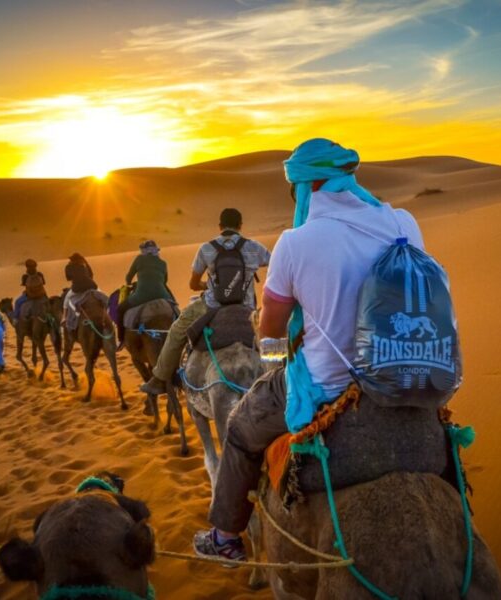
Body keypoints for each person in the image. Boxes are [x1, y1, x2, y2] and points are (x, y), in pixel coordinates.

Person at [192, 138, 426, 561]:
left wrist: (277, 366)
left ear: (307, 186)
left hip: (327, 383)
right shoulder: (405, 222)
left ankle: (226, 536)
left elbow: (271, 328)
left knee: (242, 428)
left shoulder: (295, 242)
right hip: (405, 372)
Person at [141, 208, 270, 395]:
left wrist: (208, 286)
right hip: (246, 308)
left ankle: (159, 379)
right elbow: (275, 265)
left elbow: (193, 284)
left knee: (177, 330)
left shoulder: (207, 248)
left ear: (220, 226)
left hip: (211, 306)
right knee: (277, 336)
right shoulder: (254, 247)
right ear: (240, 226)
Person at [115, 240, 177, 350]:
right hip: (162, 295)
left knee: (120, 309)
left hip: (141, 295)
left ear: (143, 250)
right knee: (176, 309)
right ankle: (181, 336)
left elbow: (128, 277)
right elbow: (164, 281)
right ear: (156, 251)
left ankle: (121, 340)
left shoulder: (139, 259)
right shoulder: (163, 263)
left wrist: (130, 284)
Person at [61, 252, 99, 325]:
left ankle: (64, 317)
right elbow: (91, 274)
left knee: (66, 299)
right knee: (101, 296)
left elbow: (68, 278)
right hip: (91, 285)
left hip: (77, 288)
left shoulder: (68, 267)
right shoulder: (85, 264)